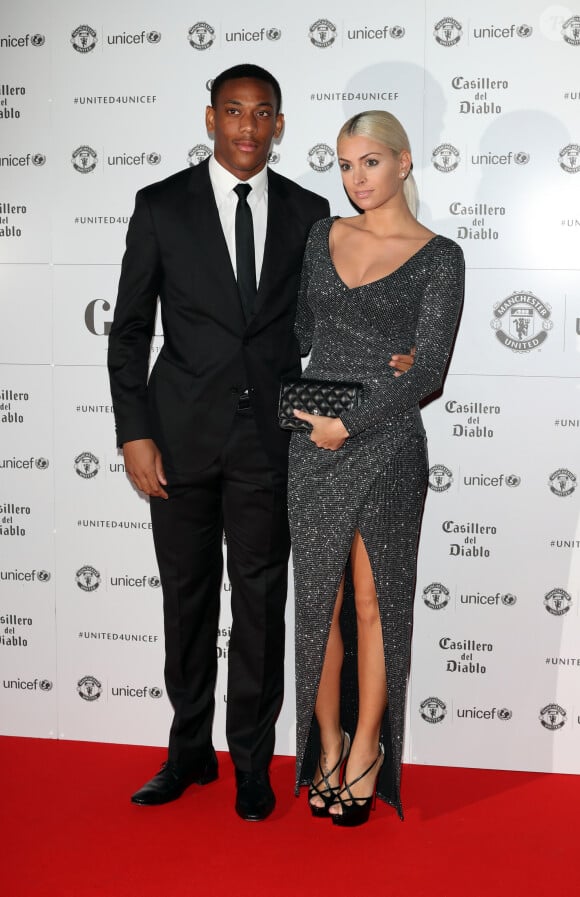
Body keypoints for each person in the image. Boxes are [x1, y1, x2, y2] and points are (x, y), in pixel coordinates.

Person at [108, 65, 414, 822]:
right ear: (210, 118)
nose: (247, 126)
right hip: (175, 441)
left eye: (263, 113)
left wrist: (397, 356)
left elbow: (338, 318)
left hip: (273, 447)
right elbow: (129, 331)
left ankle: (251, 761)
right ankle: (187, 753)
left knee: (261, 604)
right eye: (234, 111)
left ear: (279, 125)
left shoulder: (313, 215)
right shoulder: (160, 206)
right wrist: (134, 431)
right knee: (186, 601)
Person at [288, 110, 464, 826]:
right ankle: (325, 740)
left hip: (386, 441)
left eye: (369, 162)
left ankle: (367, 749)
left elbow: (429, 370)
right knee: (318, 604)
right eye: (345, 164)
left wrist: (355, 419)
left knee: (373, 601)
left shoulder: (439, 255)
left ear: (404, 162)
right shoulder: (320, 235)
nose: (356, 178)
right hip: (312, 441)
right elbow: (298, 328)